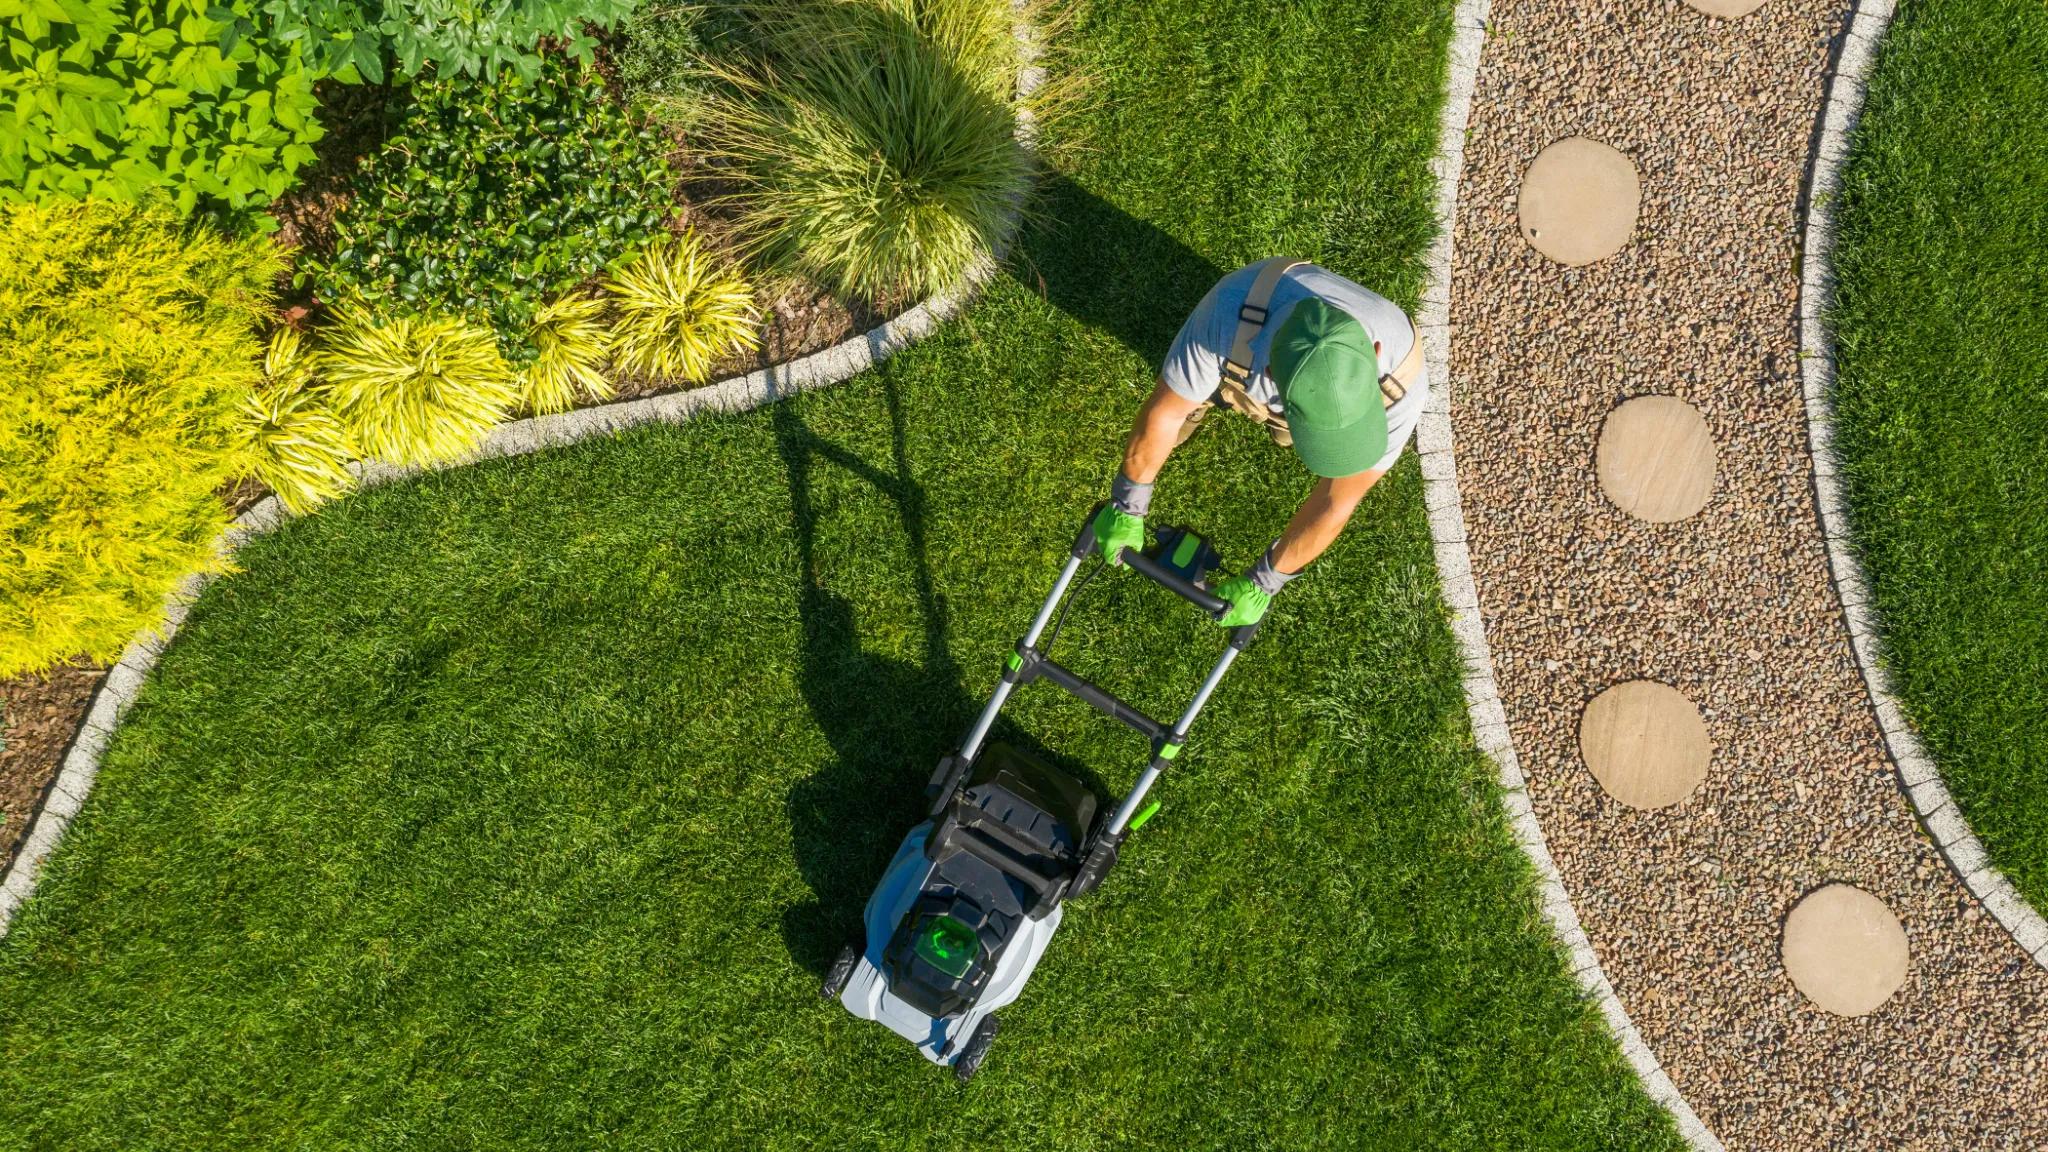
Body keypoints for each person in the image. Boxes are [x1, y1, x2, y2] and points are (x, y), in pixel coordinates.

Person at [1092, 258, 1429, 626]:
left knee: (1287, 435)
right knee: (1188, 397)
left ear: (1375, 353)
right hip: (1244, 346)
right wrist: (1128, 503)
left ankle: (1285, 423)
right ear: (1271, 376)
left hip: (1275, 377)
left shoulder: (1403, 380)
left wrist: (1265, 582)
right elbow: (1165, 415)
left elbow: (1336, 500)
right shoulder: (1225, 316)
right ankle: (1213, 394)